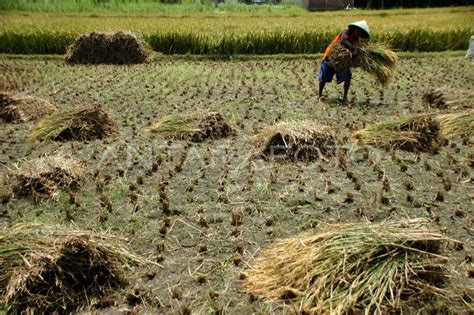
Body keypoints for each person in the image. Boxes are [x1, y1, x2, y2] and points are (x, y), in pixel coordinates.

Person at [318, 20, 370, 103]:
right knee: (323, 77)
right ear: (354, 29)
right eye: (358, 31)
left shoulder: (356, 40)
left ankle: (344, 97)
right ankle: (319, 96)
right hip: (331, 56)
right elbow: (343, 41)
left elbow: (355, 53)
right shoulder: (346, 31)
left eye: (360, 33)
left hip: (342, 60)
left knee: (348, 76)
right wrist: (353, 49)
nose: (359, 34)